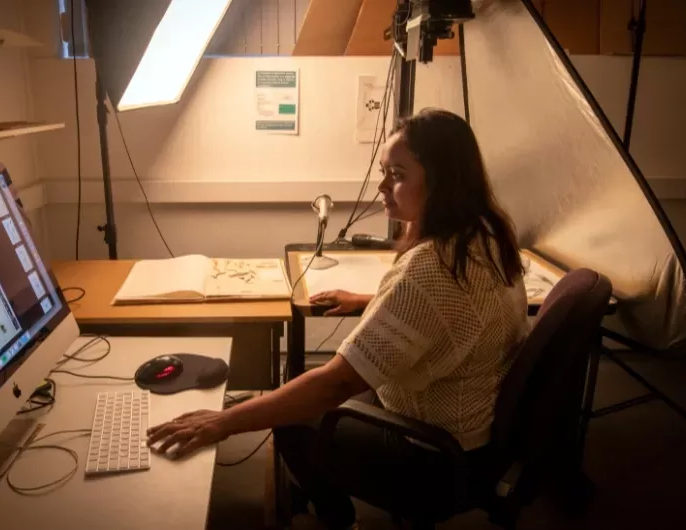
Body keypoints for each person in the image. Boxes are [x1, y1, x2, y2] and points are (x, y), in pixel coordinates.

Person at [147, 108, 530, 530]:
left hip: (436, 458)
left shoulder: (429, 269)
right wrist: (370, 299)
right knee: (302, 385)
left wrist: (223, 422)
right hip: (477, 437)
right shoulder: (486, 234)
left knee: (292, 413)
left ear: (442, 180)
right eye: (384, 172)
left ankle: (339, 521)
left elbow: (338, 383)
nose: (382, 187)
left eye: (397, 175)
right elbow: (452, 312)